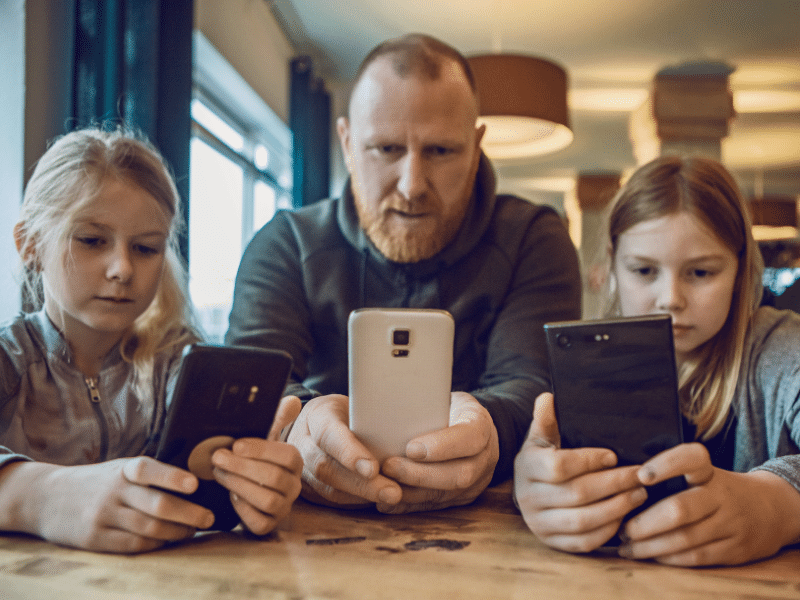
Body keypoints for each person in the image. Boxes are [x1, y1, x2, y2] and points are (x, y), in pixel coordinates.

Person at [226, 34, 581, 513]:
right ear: (348, 144)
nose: (413, 185)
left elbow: (532, 386)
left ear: (476, 147)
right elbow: (250, 383)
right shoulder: (286, 243)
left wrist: (488, 429)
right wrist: (303, 426)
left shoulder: (533, 238)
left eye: (440, 151)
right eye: (387, 149)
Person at [0, 127, 303, 554]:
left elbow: (213, 495)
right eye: (92, 240)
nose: (122, 268)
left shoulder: (178, 368)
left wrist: (256, 487)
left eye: (145, 248)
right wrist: (39, 497)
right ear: (29, 244)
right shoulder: (10, 359)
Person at [514, 155, 800, 567]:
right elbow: (548, 472)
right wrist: (531, 482)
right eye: (645, 270)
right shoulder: (588, 367)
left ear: (741, 269)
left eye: (701, 273)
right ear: (612, 265)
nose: (671, 298)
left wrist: (775, 506)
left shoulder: (781, 351)